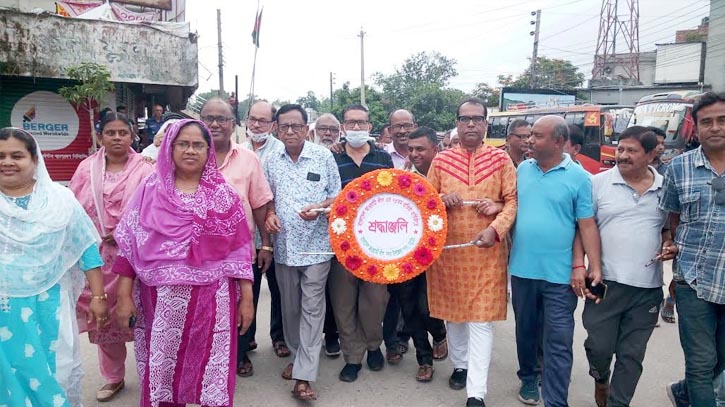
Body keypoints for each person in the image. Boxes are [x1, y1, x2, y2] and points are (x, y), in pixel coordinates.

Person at [113, 119, 255, 407]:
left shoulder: (223, 195)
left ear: (208, 151)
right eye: (183, 144)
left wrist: (247, 300)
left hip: (213, 301)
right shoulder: (149, 191)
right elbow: (128, 247)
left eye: (198, 145)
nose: (190, 151)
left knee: (211, 371)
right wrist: (124, 295)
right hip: (159, 300)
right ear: (170, 147)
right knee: (163, 372)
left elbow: (240, 252)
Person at [0, 127, 108, 407]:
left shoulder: (60, 201)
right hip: (4, 309)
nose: (7, 162)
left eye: (16, 155)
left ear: (34, 160)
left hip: (49, 304)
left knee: (54, 370)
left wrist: (98, 297)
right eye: (0, 156)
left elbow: (86, 249)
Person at [427, 97, 518, 407]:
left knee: (480, 320)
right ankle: (460, 365)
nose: (470, 124)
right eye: (464, 118)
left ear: (485, 124)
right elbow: (425, 203)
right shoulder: (440, 161)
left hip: (486, 251)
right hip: (449, 252)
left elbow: (512, 201)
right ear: (456, 122)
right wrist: (442, 198)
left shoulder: (501, 160)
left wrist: (495, 226)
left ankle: (476, 392)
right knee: (454, 316)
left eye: (476, 119)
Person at [510, 115, 603, 407]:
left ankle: (556, 400)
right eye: (529, 136)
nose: (529, 141)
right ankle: (528, 377)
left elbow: (586, 224)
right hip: (522, 270)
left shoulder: (579, 177)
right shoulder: (523, 170)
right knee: (525, 330)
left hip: (560, 277)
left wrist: (593, 266)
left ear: (559, 142)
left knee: (559, 340)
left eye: (537, 136)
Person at [583, 126, 673, 407]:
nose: (622, 155)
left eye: (631, 151)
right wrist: (584, 266)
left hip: (646, 288)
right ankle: (600, 378)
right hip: (605, 284)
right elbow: (584, 228)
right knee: (599, 347)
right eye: (620, 149)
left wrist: (669, 242)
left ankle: (618, 403)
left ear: (650, 154)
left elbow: (669, 228)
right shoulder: (598, 184)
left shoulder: (665, 187)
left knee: (632, 354)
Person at [69, 112, 154, 402]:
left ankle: (154, 375)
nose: (117, 138)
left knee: (143, 318)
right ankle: (113, 377)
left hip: (138, 257)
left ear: (133, 136)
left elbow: (157, 210)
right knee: (104, 320)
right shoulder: (85, 169)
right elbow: (74, 211)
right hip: (98, 259)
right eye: (110, 133)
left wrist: (124, 233)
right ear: (99, 137)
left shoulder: (147, 169)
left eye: (123, 133)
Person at [263, 104, 342, 400]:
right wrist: (269, 216)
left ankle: (303, 376)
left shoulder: (323, 157)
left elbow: (337, 196)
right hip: (284, 247)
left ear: (307, 128)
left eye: (296, 126)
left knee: (312, 308)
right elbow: (265, 199)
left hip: (317, 248)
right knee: (291, 308)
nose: (291, 131)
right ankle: (298, 356)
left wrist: (321, 207)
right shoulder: (270, 161)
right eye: (285, 127)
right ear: (276, 129)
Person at [201, 98, 283, 379]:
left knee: (241, 303)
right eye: (208, 118)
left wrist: (266, 244)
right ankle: (205, 357)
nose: (214, 124)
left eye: (221, 118)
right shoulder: (188, 155)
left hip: (240, 252)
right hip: (197, 255)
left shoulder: (248, 160)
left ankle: (239, 354)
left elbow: (259, 204)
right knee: (205, 310)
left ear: (233, 123)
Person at [660, 91, 725, 407]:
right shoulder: (679, 168)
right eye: (706, 122)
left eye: (722, 120)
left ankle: (683, 391)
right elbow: (672, 217)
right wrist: (673, 244)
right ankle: (693, 391)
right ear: (696, 129)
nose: (715, 127)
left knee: (719, 360)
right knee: (700, 364)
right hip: (693, 280)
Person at [330, 104, 394, 383]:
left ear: (370, 126)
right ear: (343, 127)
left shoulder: (382, 157)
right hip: (340, 243)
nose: (356, 128)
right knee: (343, 302)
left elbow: (394, 196)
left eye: (362, 123)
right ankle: (352, 357)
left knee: (376, 299)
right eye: (351, 123)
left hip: (376, 243)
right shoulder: (330, 157)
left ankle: (373, 345)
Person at [391, 126, 449, 382]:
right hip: (405, 254)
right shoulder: (402, 177)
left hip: (437, 256)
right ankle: (423, 360)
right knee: (409, 307)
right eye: (411, 149)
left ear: (435, 149)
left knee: (427, 308)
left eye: (420, 149)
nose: (414, 154)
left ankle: (439, 334)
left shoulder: (448, 176)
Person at [382, 109, 417, 362]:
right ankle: (393, 341)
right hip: (387, 235)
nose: (403, 131)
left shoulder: (430, 155)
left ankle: (426, 338)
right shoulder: (381, 156)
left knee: (417, 293)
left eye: (407, 125)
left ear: (414, 126)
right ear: (389, 129)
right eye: (398, 126)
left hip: (419, 235)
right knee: (393, 292)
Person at [309, 111, 344, 357]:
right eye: (323, 129)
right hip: (306, 238)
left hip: (339, 236)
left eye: (332, 129)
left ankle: (332, 335)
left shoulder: (340, 156)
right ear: (314, 131)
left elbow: (338, 193)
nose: (328, 134)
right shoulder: (306, 154)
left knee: (333, 292)